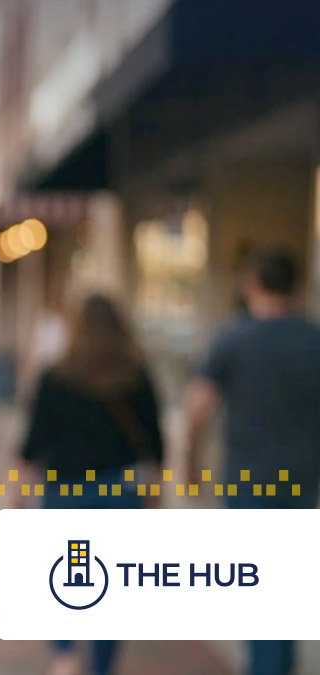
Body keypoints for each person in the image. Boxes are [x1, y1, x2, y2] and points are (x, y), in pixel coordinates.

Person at [14, 293, 165, 675]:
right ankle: (101, 665)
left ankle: (64, 654)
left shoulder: (56, 375)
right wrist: (157, 490)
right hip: (120, 492)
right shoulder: (135, 375)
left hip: (65, 492)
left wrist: (16, 487)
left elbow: (33, 440)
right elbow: (155, 441)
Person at [185, 247, 320, 675]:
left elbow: (198, 408)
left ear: (252, 285)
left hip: (247, 483)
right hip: (302, 480)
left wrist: (190, 464)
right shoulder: (313, 339)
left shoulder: (233, 338)